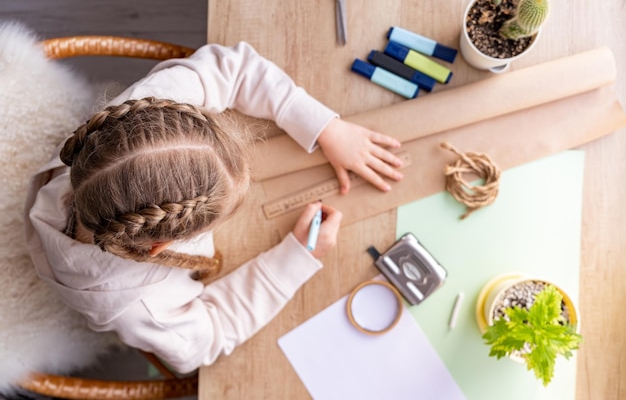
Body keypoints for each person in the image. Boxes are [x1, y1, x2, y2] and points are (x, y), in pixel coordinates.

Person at [24, 42, 404, 374]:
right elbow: (206, 339)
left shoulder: (137, 127)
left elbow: (233, 67)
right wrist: (295, 259)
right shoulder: (137, 307)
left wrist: (325, 128)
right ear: (162, 246)